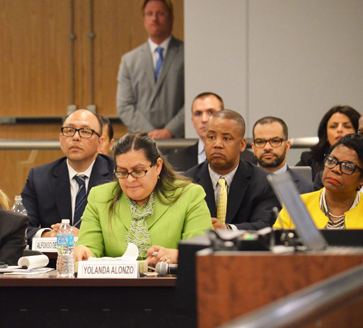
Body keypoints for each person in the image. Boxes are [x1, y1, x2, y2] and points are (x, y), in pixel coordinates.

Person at [73, 132, 212, 266]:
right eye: (122, 172)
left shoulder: (189, 195)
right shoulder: (100, 197)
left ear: (158, 166)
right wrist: (84, 251)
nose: (130, 179)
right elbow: (90, 245)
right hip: (114, 287)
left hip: (170, 287)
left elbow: (202, 252)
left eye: (138, 171)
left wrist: (176, 255)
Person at [21, 109, 115, 244]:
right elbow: (21, 228)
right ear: (60, 138)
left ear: (100, 143)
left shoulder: (117, 175)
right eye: (69, 131)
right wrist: (47, 235)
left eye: (85, 132)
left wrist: (83, 235)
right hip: (53, 261)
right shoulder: (39, 178)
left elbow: (126, 232)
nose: (76, 137)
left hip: (100, 261)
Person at [184, 110, 281, 230]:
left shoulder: (265, 183)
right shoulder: (186, 182)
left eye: (226, 138)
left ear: (242, 144)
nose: (217, 144)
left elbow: (265, 226)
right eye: (211, 137)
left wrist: (227, 230)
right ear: (204, 141)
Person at [116, 0, 184, 139]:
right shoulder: (129, 60)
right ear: (144, 19)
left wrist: (170, 131)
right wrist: (148, 134)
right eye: (149, 14)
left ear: (171, 17)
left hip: (179, 143)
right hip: (141, 143)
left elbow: (194, 102)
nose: (154, 18)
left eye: (160, 13)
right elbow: (124, 105)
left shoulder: (187, 55)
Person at [275, 134, 363, 229]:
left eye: (348, 166)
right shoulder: (297, 205)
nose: (336, 169)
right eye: (331, 160)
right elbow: (276, 242)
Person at [168, 92, 256, 171]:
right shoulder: (174, 161)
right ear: (192, 121)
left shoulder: (250, 159)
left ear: (224, 116)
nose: (204, 119)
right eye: (198, 113)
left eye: (211, 112)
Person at [252, 116, 313, 194]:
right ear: (253, 148)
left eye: (275, 141)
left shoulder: (307, 189)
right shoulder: (239, 185)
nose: (267, 147)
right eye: (260, 142)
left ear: (287, 147)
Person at [297, 105, 360, 180]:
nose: (339, 130)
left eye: (347, 126)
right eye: (333, 126)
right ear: (325, 134)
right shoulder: (309, 160)